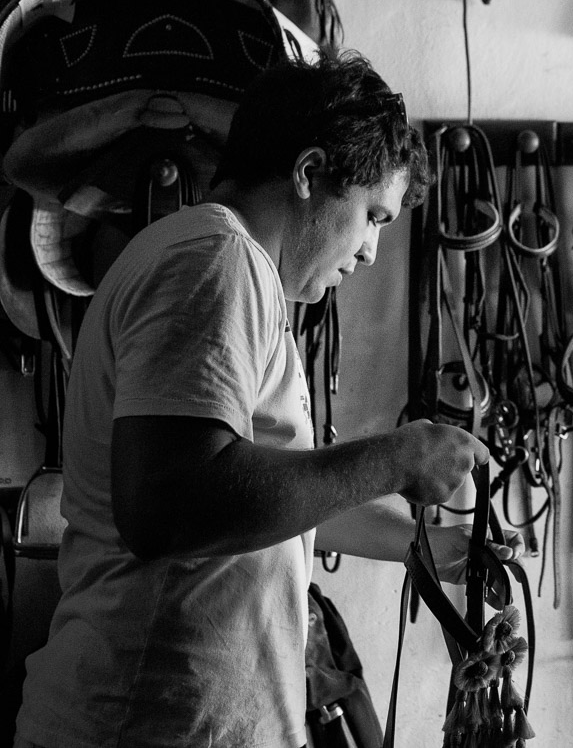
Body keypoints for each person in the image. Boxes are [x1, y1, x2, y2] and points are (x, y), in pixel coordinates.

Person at [14, 51, 509, 748]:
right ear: (309, 172)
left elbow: (261, 500)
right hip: (147, 726)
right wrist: (397, 458)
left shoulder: (234, 272)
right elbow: (171, 504)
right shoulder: (216, 258)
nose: (371, 250)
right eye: (372, 215)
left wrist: (423, 545)